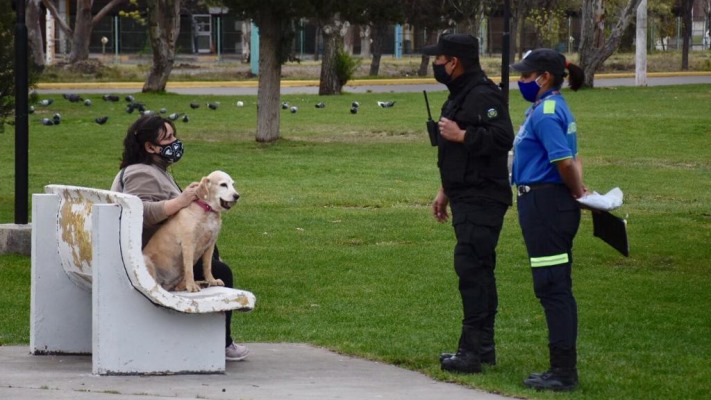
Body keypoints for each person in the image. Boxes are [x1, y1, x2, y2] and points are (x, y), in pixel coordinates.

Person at [110, 115, 249, 362]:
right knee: (222, 273)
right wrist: (182, 201)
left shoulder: (153, 170)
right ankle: (222, 343)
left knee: (215, 266)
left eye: (174, 135)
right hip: (155, 260)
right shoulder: (141, 173)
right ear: (150, 147)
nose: (175, 142)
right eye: (168, 138)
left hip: (161, 252)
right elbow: (141, 211)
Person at [422, 33, 514, 374]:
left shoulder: (483, 93)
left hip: (483, 197)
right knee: (479, 269)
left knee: (471, 269)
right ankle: (483, 347)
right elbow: (455, 154)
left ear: (454, 62)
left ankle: (471, 351)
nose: (435, 65)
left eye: (438, 59)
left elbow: (503, 137)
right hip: (464, 194)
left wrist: (463, 135)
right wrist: (445, 189)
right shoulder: (461, 94)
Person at [509, 48, 587, 391]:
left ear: (544, 77)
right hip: (545, 202)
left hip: (545, 205)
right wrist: (578, 189)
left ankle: (563, 372)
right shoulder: (550, 107)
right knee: (553, 286)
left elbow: (566, 162)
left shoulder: (545, 113)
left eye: (526, 76)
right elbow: (574, 157)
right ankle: (560, 368)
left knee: (553, 287)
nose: (520, 80)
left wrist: (577, 191)